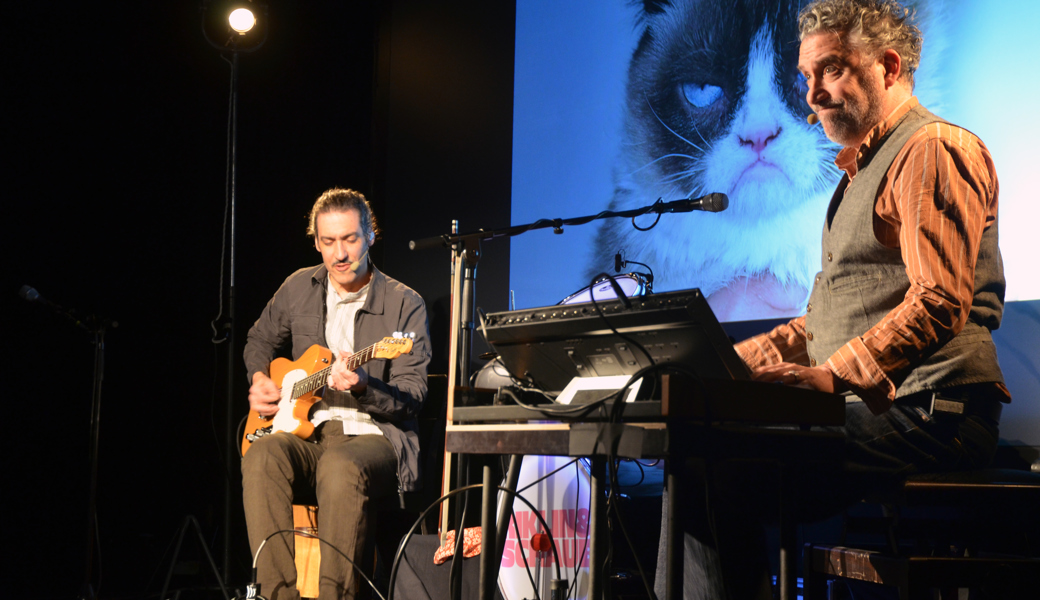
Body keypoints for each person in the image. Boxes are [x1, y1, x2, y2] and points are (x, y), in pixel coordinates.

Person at [656, 1, 1008, 598]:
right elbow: (817, 322)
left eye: (831, 70)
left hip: (936, 412)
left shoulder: (930, 149)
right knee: (694, 458)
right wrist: (717, 367)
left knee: (712, 471)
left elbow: (941, 300)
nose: (814, 93)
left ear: (889, 67)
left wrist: (835, 377)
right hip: (887, 407)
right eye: (807, 76)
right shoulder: (857, 173)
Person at [241, 188, 431, 600]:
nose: (339, 253)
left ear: (371, 236)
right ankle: (277, 595)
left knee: (341, 467)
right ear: (316, 242)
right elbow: (257, 340)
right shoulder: (297, 287)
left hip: (375, 439)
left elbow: (413, 395)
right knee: (261, 456)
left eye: (350, 239)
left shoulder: (405, 303)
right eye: (328, 242)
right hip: (311, 435)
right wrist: (259, 378)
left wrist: (364, 385)